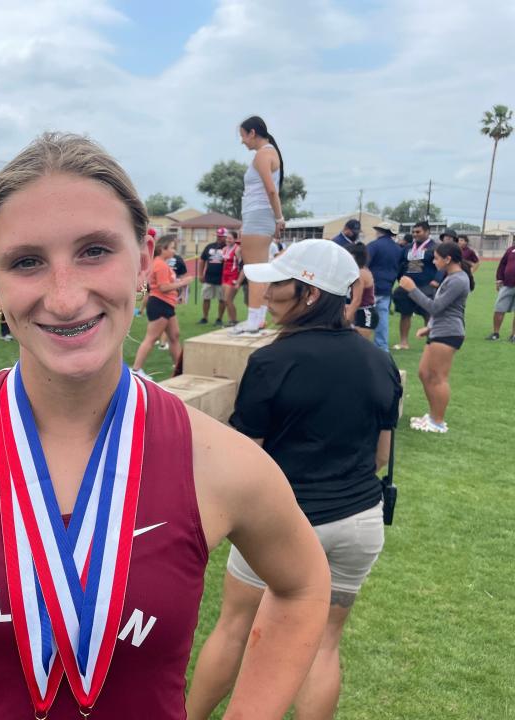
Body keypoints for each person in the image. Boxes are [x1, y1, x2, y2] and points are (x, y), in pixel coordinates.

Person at [0, 132, 330, 720]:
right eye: (27, 262)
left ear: (143, 260)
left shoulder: (220, 462)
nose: (64, 298)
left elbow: (304, 585)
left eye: (94, 251)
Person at [188, 239, 401, 720]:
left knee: (235, 627)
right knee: (324, 644)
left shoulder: (271, 361)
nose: (263, 293)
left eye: (277, 283)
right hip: (360, 522)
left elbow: (247, 458)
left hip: (284, 524)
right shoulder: (379, 361)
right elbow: (380, 453)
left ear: (309, 294)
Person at [398, 241, 474, 433]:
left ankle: (438, 421)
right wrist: (430, 327)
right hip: (440, 330)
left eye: (437, 258)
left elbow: (435, 307)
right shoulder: (452, 277)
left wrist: (412, 289)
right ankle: (432, 415)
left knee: (438, 377)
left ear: (448, 259)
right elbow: (441, 308)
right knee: (424, 373)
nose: (434, 260)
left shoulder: (458, 280)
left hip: (449, 332)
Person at [232, 116, 284, 335]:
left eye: (243, 136)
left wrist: (279, 218)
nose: (242, 141)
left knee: (253, 270)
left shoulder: (263, 155)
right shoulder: (271, 153)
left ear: (252, 133)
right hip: (259, 216)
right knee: (261, 270)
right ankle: (258, 319)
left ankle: (253, 321)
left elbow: (271, 190)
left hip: (259, 215)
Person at [131, 234, 194, 380]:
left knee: (174, 335)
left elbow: (166, 284)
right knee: (152, 338)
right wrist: (183, 282)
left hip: (166, 304)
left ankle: (179, 369)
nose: (174, 251)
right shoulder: (160, 264)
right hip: (160, 303)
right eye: (172, 248)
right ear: (162, 249)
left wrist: (178, 282)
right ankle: (136, 370)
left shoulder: (161, 264)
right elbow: (163, 287)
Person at [391, 220, 441, 350]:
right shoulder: (408, 248)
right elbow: (401, 264)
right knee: (405, 314)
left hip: (426, 286)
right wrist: (400, 278)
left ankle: (431, 342)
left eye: (418, 232)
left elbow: (442, 266)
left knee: (428, 314)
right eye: (413, 232)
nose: (415, 234)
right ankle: (403, 342)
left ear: (427, 232)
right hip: (407, 287)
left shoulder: (434, 248)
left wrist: (437, 280)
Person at [366, 220, 403, 352]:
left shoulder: (373, 246)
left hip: (371, 287)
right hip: (387, 286)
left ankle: (363, 344)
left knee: (365, 316)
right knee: (382, 317)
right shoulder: (398, 249)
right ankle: (382, 346)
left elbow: (365, 264)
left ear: (379, 231)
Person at [345, 242, 377, 341]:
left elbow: (357, 300)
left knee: (359, 347)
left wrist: (345, 320)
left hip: (365, 313)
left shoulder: (360, 274)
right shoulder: (360, 270)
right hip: (359, 312)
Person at [487, 237, 515, 341]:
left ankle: (514, 335)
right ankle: (495, 333)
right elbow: (502, 264)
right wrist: (499, 279)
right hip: (507, 284)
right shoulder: (511, 250)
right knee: (499, 308)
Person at [199, 227, 228, 325]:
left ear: (226, 237)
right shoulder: (209, 246)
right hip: (208, 277)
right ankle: (204, 318)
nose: (219, 238)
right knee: (206, 298)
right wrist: (200, 274)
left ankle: (219, 319)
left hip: (222, 279)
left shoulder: (228, 248)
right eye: (218, 236)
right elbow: (202, 260)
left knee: (222, 299)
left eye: (221, 236)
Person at [221, 231, 242, 325]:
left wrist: (239, 281)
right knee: (226, 301)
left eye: (230, 238)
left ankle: (233, 320)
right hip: (224, 276)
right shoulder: (224, 249)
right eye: (227, 238)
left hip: (233, 276)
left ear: (235, 239)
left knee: (228, 300)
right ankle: (231, 320)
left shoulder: (238, 249)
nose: (228, 240)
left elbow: (241, 265)